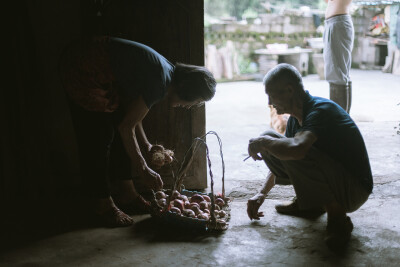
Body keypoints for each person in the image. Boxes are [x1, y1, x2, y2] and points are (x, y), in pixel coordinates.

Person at [59, 36, 216, 227]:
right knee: (99, 136)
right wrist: (143, 169)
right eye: (195, 100)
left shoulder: (167, 75)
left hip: (99, 70)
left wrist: (147, 145)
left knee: (118, 127)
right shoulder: (160, 81)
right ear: (186, 88)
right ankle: (101, 203)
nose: (191, 106)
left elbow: (130, 119)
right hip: (82, 67)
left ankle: (126, 193)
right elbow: (127, 127)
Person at [246, 64, 372, 249]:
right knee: (273, 141)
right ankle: (312, 205)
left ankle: (337, 218)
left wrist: (263, 142)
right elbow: (285, 156)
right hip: (336, 181)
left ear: (290, 90)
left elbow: (297, 149)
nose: (269, 103)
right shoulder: (295, 120)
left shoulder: (320, 111)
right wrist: (261, 193)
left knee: (282, 145)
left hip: (353, 190)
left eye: (271, 95)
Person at [323, 0, 354, 113]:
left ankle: (338, 122)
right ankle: (342, 121)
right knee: (339, 74)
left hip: (338, 22)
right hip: (333, 22)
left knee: (337, 75)